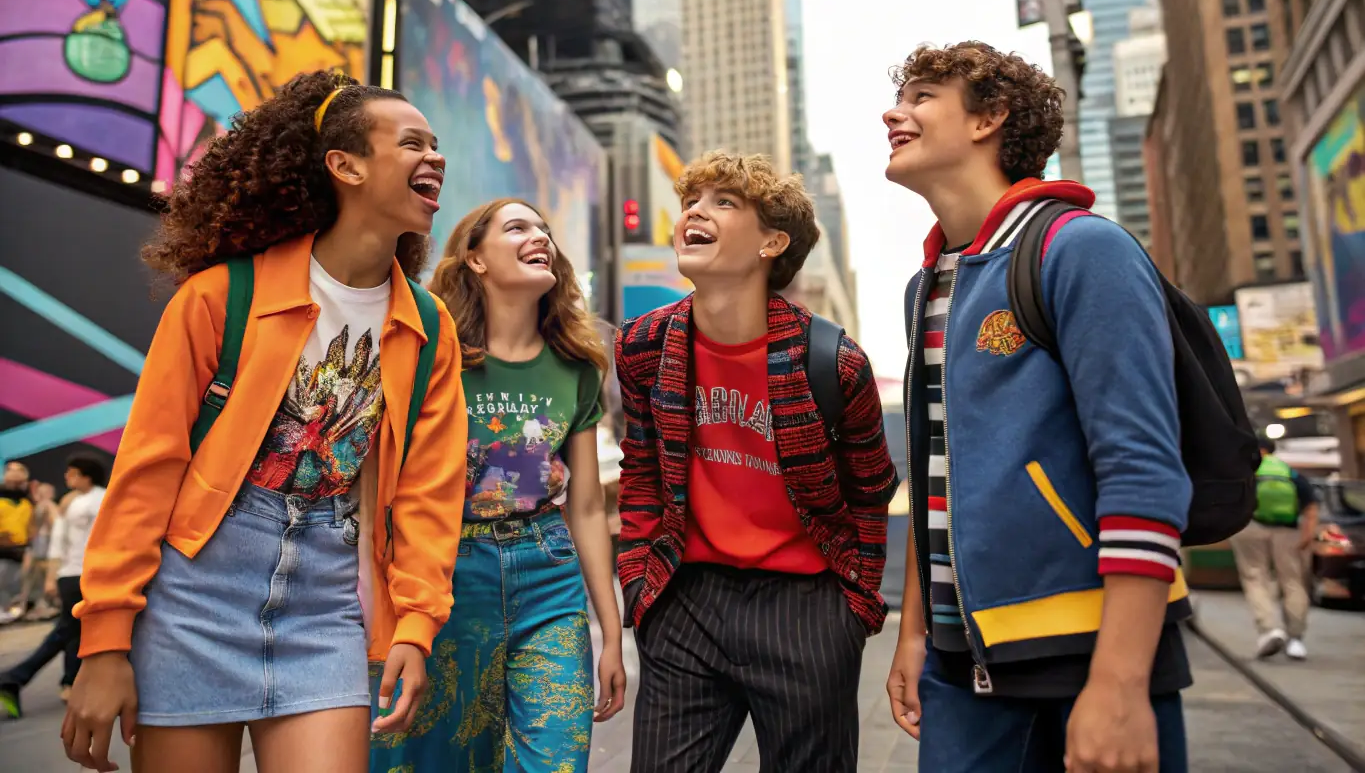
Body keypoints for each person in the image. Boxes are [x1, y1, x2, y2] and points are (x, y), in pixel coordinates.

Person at [61, 71, 469, 773]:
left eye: (434, 145)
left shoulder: (429, 327)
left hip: (325, 606)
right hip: (190, 599)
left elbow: (430, 494)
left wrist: (416, 621)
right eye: (411, 143)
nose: (434, 156)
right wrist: (103, 644)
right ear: (344, 165)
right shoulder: (219, 297)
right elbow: (148, 470)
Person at [880, 42, 1193, 773]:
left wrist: (1120, 683)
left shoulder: (1081, 249)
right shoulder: (925, 287)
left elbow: (1142, 469)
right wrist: (915, 635)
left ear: (988, 117)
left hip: (1089, 654)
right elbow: (935, 474)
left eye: (922, 96)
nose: (893, 113)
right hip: (962, 668)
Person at [617, 151, 898, 772]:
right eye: (691, 201)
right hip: (686, 596)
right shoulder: (643, 346)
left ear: (772, 242)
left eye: (724, 202)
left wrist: (852, 608)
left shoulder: (833, 362)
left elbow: (871, 491)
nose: (695, 212)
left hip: (806, 604)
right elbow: (642, 473)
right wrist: (639, 584)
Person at [369, 198, 626, 772]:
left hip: (548, 575)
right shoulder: (432, 354)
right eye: (517, 227)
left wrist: (610, 633)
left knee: (555, 761)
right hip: (445, 575)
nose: (540, 237)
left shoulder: (576, 366)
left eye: (544, 230)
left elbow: (587, 507)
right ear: (476, 259)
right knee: (433, 760)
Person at [0, 456, 108, 717]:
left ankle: (69, 684)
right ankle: (15, 677)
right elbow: (59, 542)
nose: (67, 477)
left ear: (86, 476)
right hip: (78, 575)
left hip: (83, 574)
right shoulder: (73, 502)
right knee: (68, 630)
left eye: (72, 473)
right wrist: (52, 576)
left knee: (74, 631)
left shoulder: (97, 499)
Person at [1229, 436, 1319, 661]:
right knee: (1293, 581)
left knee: (1254, 576)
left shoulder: (1247, 471)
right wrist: (1307, 536)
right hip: (1288, 531)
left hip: (1251, 527)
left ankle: (1269, 630)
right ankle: (1296, 639)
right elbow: (1311, 507)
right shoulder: (1289, 473)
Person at [21, 481, 60, 621]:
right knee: (34, 577)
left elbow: (55, 524)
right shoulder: (39, 506)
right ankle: (38, 605)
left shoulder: (49, 506)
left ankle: (45, 605)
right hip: (38, 545)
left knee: (43, 577)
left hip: (46, 545)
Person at [0, 461, 33, 624]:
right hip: (2, 550)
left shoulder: (27, 503)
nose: (15, 474)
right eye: (11, 470)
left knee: (14, 585)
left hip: (20, 550)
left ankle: (10, 612)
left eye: (19, 470)